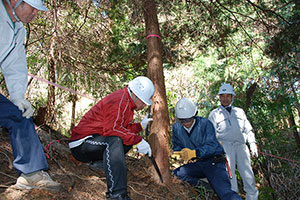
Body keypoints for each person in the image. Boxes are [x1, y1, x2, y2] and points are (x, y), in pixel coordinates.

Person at [0, 0, 61, 190]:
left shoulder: (18, 30)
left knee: (18, 114)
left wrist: (18, 97)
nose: (35, 13)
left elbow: (15, 65)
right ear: (14, 1)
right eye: (32, 7)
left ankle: (32, 173)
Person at [69, 76, 155, 200]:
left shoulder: (127, 103)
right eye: (143, 102)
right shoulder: (119, 100)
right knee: (115, 142)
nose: (143, 105)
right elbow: (112, 130)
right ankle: (117, 195)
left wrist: (140, 126)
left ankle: (100, 163)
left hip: (95, 141)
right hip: (81, 143)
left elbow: (122, 129)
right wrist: (138, 140)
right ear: (135, 95)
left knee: (125, 141)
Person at [171, 97, 242, 200]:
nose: (185, 123)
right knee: (175, 175)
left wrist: (195, 153)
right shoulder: (177, 128)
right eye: (182, 120)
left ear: (195, 115)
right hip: (199, 164)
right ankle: (205, 188)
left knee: (225, 193)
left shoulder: (205, 124)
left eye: (188, 119)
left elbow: (212, 146)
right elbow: (177, 144)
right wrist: (178, 153)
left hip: (214, 163)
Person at [208, 83, 259, 200]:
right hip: (224, 148)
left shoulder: (240, 112)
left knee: (248, 177)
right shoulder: (214, 114)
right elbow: (210, 135)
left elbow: (248, 129)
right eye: (223, 96)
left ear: (232, 97)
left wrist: (252, 144)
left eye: (228, 96)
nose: (225, 98)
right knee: (230, 179)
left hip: (241, 146)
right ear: (219, 97)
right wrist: (216, 149)